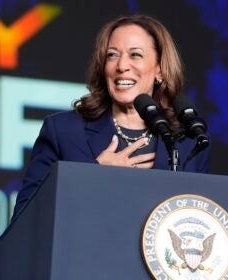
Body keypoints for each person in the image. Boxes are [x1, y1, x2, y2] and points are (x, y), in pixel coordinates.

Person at [12, 14, 211, 219]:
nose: (121, 66)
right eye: (112, 55)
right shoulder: (63, 132)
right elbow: (25, 217)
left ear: (159, 69)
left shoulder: (188, 144)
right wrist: (92, 177)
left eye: (135, 55)